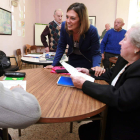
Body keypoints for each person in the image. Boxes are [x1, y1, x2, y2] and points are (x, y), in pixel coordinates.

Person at [70, 23, 140, 140]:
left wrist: (84, 84)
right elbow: (111, 73)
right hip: (112, 109)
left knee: (86, 131)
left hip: (125, 122)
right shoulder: (124, 59)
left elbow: (120, 97)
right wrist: (89, 72)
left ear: (137, 47)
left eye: (125, 39)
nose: (120, 42)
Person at [44, 2, 101, 69]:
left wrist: (95, 67)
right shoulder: (64, 26)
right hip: (72, 59)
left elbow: (96, 53)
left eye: (72, 18)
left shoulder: (92, 30)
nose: (68, 21)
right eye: (67, 17)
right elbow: (61, 46)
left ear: (81, 20)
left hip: (87, 60)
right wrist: (54, 64)